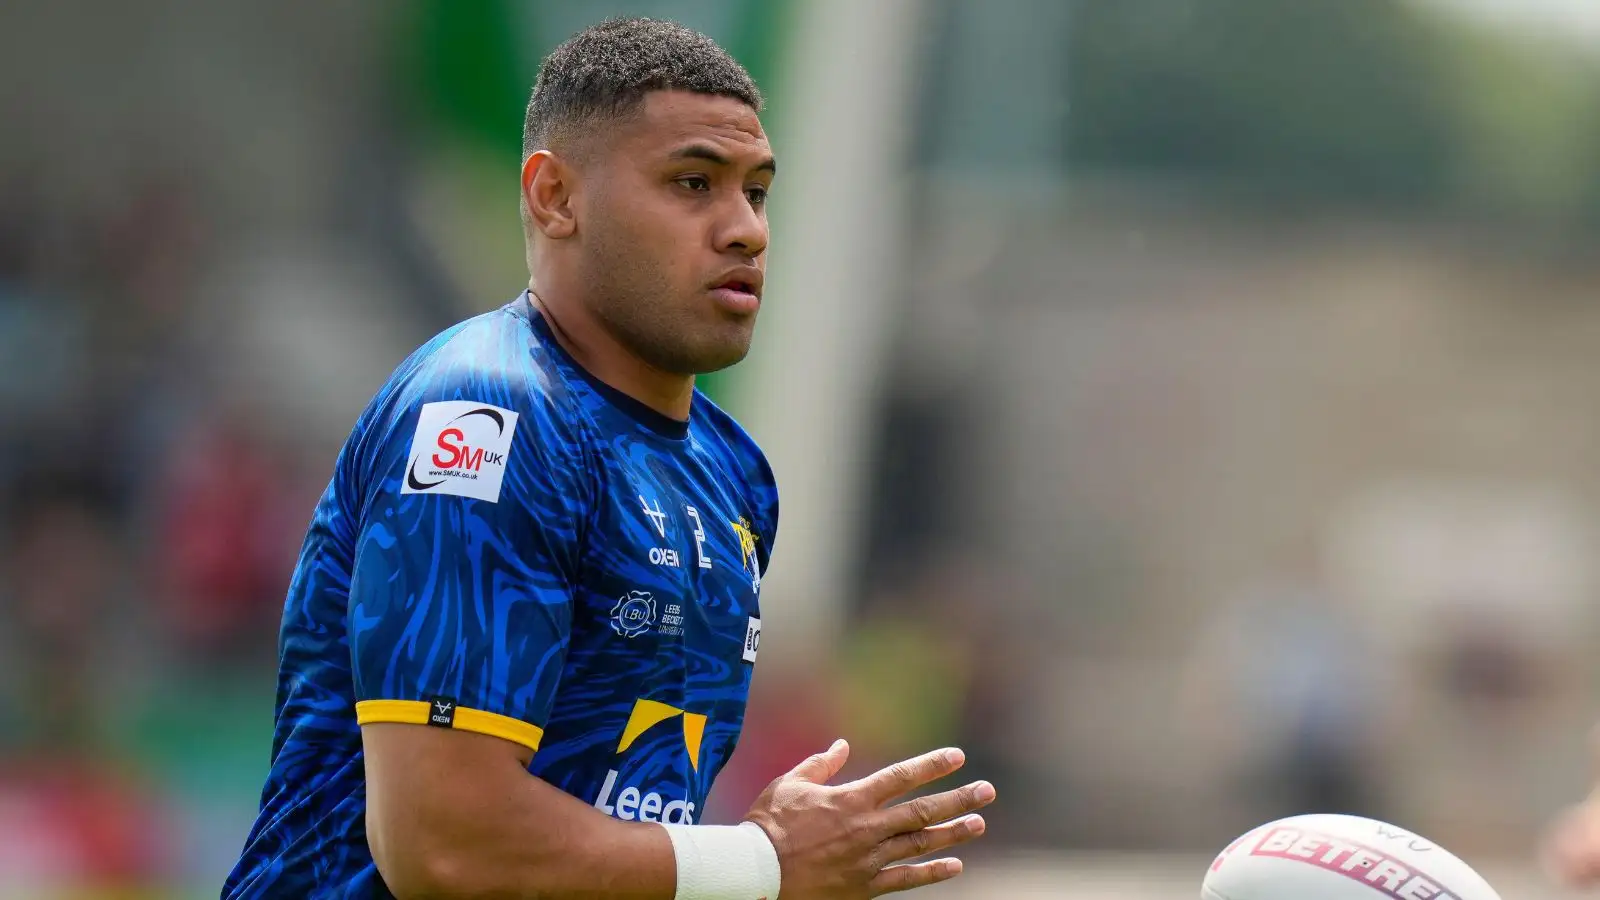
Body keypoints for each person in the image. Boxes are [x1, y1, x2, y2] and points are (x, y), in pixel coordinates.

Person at [222, 17, 994, 900]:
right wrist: (763, 864)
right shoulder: (489, 417)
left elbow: (634, 850)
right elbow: (442, 844)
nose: (745, 229)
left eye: (758, 193)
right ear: (555, 197)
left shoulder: (731, 470)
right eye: (693, 183)